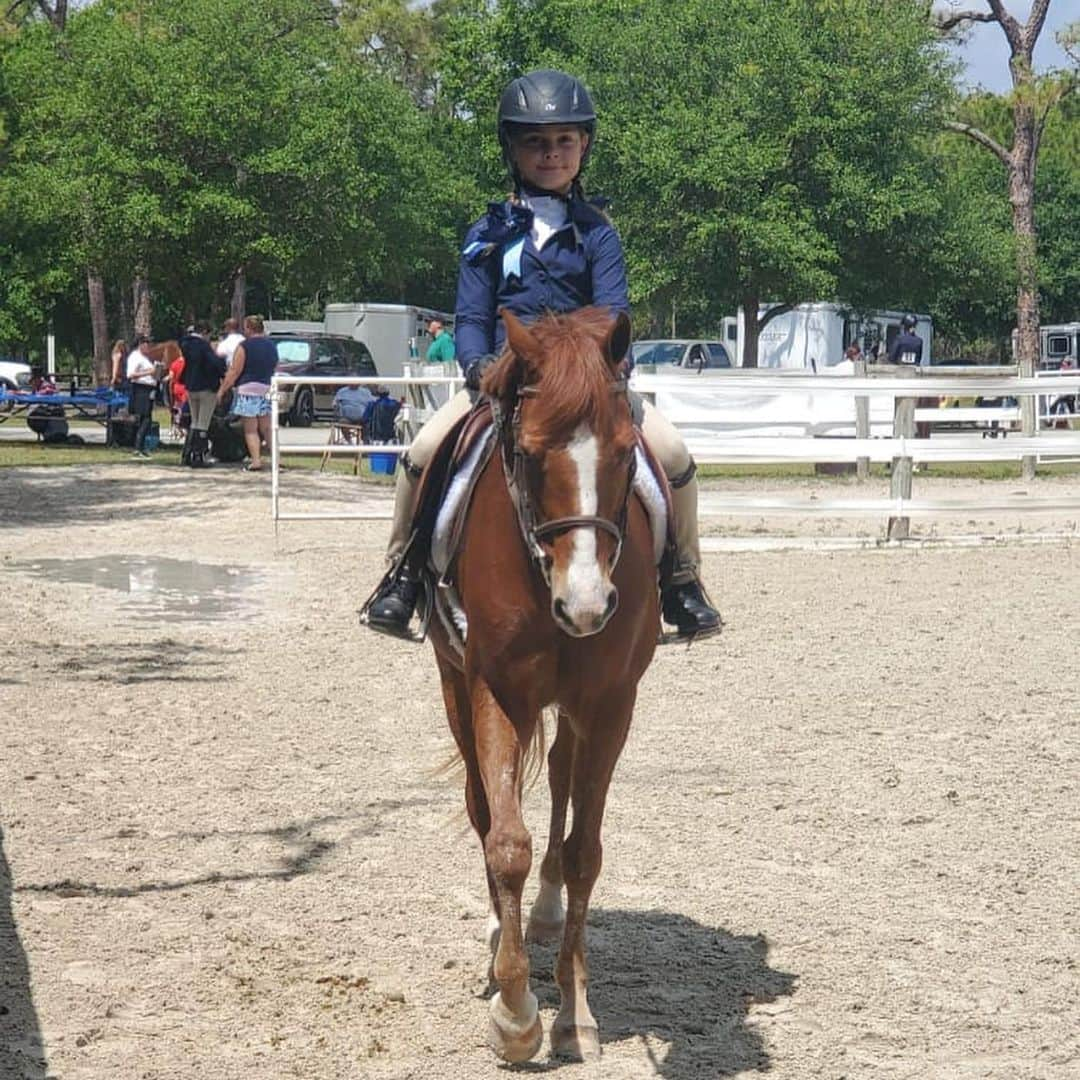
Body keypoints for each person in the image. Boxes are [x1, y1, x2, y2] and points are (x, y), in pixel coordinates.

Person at [365, 68, 720, 641]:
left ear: (583, 147)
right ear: (513, 149)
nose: (551, 154)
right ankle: (402, 575)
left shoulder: (598, 233)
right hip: (509, 382)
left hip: (587, 387)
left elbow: (611, 313)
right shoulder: (487, 233)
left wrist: (607, 366)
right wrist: (479, 365)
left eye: (564, 142)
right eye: (536, 142)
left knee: (673, 456)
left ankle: (682, 579)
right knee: (425, 450)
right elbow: (475, 316)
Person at [216, 314, 278, 472]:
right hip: (265, 387)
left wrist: (222, 390)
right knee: (267, 427)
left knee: (250, 428)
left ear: (249, 328)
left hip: (248, 388)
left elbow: (235, 371)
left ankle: (256, 460)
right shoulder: (271, 346)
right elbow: (275, 366)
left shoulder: (244, 346)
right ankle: (277, 459)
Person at [179, 322, 226, 467]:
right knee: (203, 424)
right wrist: (222, 364)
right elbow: (214, 363)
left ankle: (187, 454)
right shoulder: (203, 346)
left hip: (191, 386)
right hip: (206, 386)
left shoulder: (185, 344)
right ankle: (198, 456)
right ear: (204, 332)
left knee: (194, 421)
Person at [125, 336, 158, 458]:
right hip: (140, 389)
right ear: (140, 344)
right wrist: (149, 372)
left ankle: (141, 446)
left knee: (147, 418)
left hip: (149, 388)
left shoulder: (145, 358)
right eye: (146, 344)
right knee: (145, 418)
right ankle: (138, 447)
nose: (148, 347)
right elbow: (130, 374)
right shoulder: (135, 357)